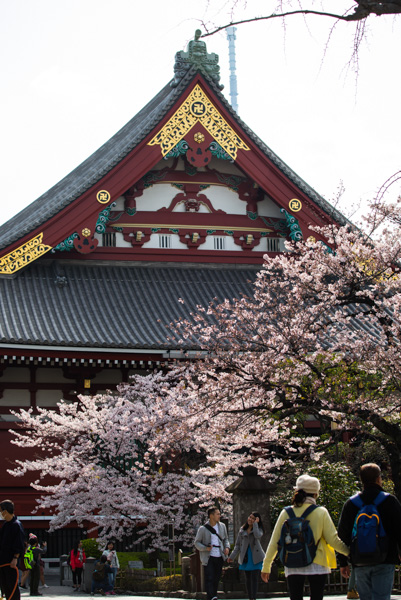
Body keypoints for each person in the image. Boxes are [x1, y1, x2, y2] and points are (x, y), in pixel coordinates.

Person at [261, 474, 350, 600]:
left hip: (293, 561)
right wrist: (349, 552)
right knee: (317, 597)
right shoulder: (321, 512)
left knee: (295, 597)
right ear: (315, 493)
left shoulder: (286, 512)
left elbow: (275, 541)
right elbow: (333, 540)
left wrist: (266, 566)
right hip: (318, 562)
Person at [337, 463, 401, 600]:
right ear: (379, 479)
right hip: (385, 559)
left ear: (361, 480)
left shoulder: (351, 503)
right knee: (382, 597)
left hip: (360, 560)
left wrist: (343, 562)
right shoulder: (389, 501)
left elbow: (342, 534)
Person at [194, 506, 230, 600]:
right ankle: (211, 596)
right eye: (217, 514)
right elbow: (196, 542)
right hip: (208, 556)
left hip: (220, 555)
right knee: (209, 577)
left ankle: (213, 595)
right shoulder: (203, 528)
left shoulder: (222, 526)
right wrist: (205, 548)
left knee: (217, 578)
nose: (219, 516)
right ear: (211, 516)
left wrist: (227, 547)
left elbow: (226, 539)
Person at [228, 512, 265, 600]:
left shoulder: (259, 529)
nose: (250, 520)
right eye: (250, 517)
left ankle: (254, 598)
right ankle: (250, 597)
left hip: (256, 556)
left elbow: (257, 535)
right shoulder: (242, 530)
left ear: (257, 520)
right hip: (245, 556)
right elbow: (237, 545)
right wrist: (232, 556)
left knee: (254, 578)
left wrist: (255, 524)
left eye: (253, 519)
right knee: (248, 579)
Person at [0, 499, 25, 600]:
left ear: (5, 511)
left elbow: (19, 544)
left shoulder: (16, 525)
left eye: (1, 511)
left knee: (12, 587)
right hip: (2, 561)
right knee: (4, 587)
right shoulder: (5, 525)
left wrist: (15, 557)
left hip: (11, 562)